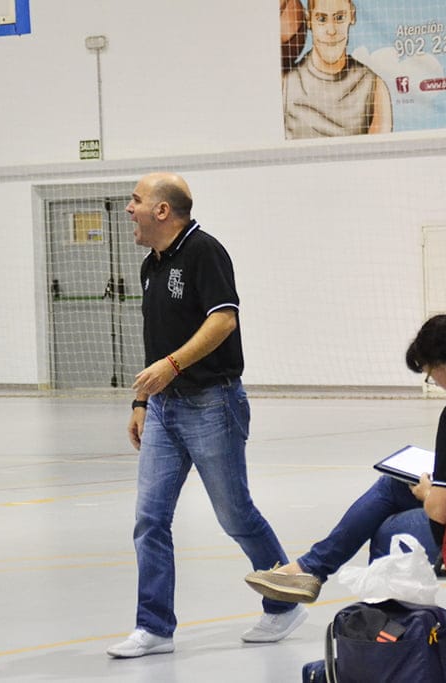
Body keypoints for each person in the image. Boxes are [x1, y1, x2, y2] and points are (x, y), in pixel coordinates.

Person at [106, 172, 306, 658]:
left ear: (163, 210)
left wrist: (172, 366)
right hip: (164, 410)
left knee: (235, 513)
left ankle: (285, 603)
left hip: (212, 404)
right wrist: (141, 401)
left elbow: (223, 319)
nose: (128, 209)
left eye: (136, 200)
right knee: (149, 519)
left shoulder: (205, 252)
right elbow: (157, 339)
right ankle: (154, 627)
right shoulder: (149, 266)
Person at [245, 314, 446, 604]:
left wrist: (428, 493)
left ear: (445, 365)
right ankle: (309, 569)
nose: (435, 382)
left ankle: (385, 639)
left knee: (388, 530)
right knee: (393, 484)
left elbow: (443, 510)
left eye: (430, 375)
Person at [283, 0, 392, 138]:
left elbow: (381, 155)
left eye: (339, 18)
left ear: (352, 16)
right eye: (321, 19)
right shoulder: (286, 84)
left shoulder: (375, 87)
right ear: (309, 20)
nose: (331, 31)